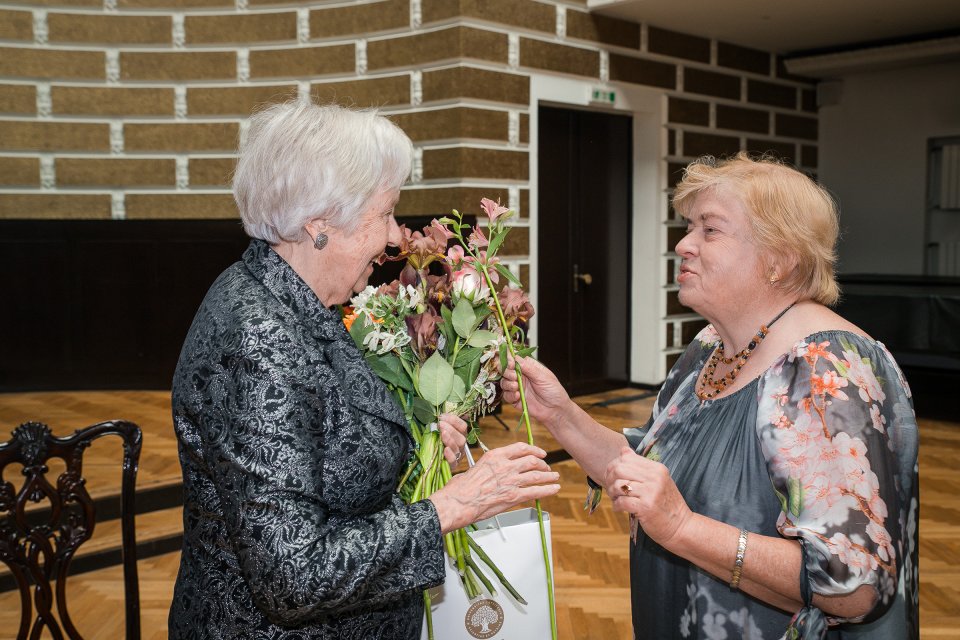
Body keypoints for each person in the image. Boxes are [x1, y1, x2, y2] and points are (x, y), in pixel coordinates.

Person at [168, 101, 560, 639]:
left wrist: (414, 449)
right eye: (385, 215)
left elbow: (323, 450)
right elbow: (293, 575)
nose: (397, 237)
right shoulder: (257, 337)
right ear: (320, 224)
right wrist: (452, 505)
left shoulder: (298, 302)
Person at [503, 153, 918, 639]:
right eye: (689, 228)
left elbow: (853, 590)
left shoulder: (826, 370)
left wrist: (681, 528)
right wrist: (560, 414)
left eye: (710, 230)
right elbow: (649, 471)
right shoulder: (710, 347)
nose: (684, 245)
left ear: (778, 260)